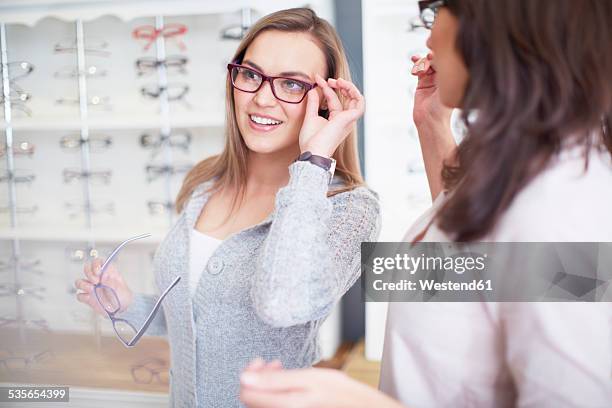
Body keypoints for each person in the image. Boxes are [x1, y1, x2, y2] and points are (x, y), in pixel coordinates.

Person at [238, 0, 612, 406]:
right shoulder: (528, 161)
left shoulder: (564, 207)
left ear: (493, 26)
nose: (430, 37)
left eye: (436, 15)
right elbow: (473, 264)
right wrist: (433, 124)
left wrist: (356, 402)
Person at [74, 8, 380, 407]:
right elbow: (202, 319)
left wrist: (315, 160)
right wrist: (129, 305)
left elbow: (283, 303)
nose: (262, 98)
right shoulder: (205, 183)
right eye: (251, 75)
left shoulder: (349, 209)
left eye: (290, 84)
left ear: (326, 102)